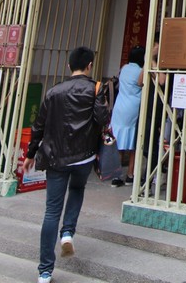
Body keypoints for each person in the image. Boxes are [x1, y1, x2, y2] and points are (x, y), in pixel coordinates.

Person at [24, 46, 111, 283]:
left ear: (69, 66)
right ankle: (68, 232)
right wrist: (100, 97)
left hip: (56, 157)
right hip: (83, 156)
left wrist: (31, 153)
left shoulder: (53, 92)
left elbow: (38, 126)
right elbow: (102, 119)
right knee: (77, 189)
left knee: (51, 211)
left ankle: (44, 270)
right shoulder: (95, 88)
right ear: (90, 65)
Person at [109, 46, 148, 187]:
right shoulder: (140, 71)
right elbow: (141, 84)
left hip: (120, 106)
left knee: (118, 143)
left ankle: (116, 176)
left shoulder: (124, 68)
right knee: (133, 143)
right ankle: (130, 175)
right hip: (132, 107)